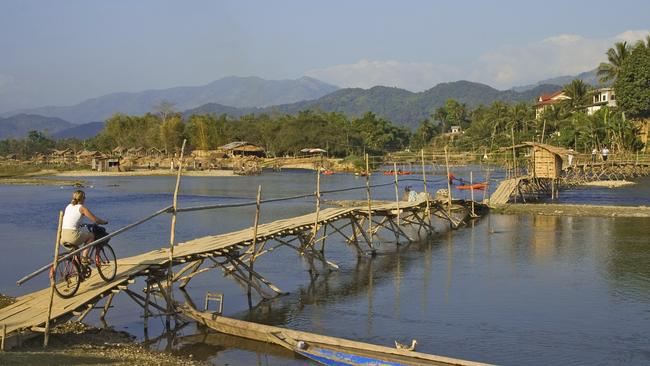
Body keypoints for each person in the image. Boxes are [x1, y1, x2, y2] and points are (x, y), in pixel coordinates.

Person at [61, 190, 108, 263]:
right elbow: (95, 220)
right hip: (72, 236)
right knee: (91, 236)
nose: (85, 199)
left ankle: (78, 270)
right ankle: (85, 257)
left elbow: (68, 219)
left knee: (76, 251)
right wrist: (104, 222)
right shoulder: (82, 208)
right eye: (84, 197)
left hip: (63, 236)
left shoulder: (68, 206)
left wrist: (79, 224)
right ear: (82, 198)